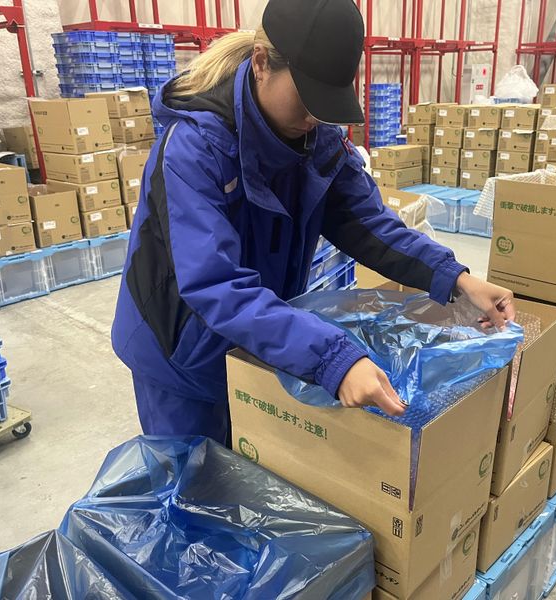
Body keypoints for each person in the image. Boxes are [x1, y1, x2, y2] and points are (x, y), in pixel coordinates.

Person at [111, 0, 515, 445]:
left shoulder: (318, 141)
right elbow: (215, 283)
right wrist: (331, 358)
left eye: (326, 102)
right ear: (262, 64)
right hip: (180, 353)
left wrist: (455, 278)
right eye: (306, 97)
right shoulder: (194, 148)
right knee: (192, 477)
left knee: (254, 467)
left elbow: (369, 224)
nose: (313, 117)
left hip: (258, 338)